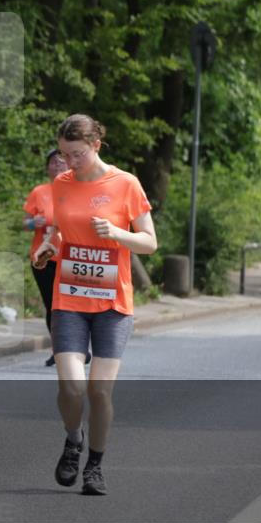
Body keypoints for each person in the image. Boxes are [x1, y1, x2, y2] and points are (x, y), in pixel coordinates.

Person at [33, 114, 157, 496]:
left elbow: (150, 242)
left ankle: (95, 465)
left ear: (97, 146)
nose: (70, 162)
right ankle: (74, 439)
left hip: (112, 303)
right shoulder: (62, 183)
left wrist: (118, 233)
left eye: (78, 154)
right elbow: (57, 231)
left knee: (99, 391)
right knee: (71, 386)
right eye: (65, 154)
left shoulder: (125, 184)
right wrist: (46, 250)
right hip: (69, 297)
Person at [23, 148, 68, 367]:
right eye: (54, 162)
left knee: (70, 306)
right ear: (47, 167)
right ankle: (58, 350)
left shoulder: (76, 189)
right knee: (52, 305)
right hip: (43, 257)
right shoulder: (39, 192)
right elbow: (25, 223)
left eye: (62, 161)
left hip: (70, 257)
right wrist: (34, 223)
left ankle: (75, 348)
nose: (58, 166)